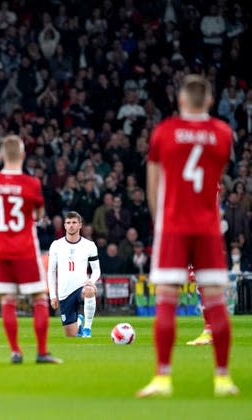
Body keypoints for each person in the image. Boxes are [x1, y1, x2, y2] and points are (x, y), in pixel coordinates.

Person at [137, 75, 238, 398]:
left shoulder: (164, 132)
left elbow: (154, 186)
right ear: (209, 101)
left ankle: (162, 379)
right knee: (216, 301)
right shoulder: (223, 134)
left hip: (174, 226)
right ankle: (223, 379)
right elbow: (215, 177)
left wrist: (160, 221)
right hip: (208, 226)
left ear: (181, 100)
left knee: (166, 298)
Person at [0, 135, 61, 364]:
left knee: (9, 299)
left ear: (1, 156)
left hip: (2, 250)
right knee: (39, 297)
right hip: (26, 249)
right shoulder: (31, 183)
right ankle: (42, 352)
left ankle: (15, 351)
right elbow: (39, 215)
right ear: (23, 155)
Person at [47, 211, 101, 338]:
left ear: (80, 225)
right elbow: (51, 271)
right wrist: (53, 296)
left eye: (74, 223)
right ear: (65, 225)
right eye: (68, 223)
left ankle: (87, 328)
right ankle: (79, 321)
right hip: (64, 292)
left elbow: (96, 270)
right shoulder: (56, 245)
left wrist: (91, 281)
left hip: (81, 287)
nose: (71, 225)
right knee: (71, 335)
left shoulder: (89, 245)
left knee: (89, 291)